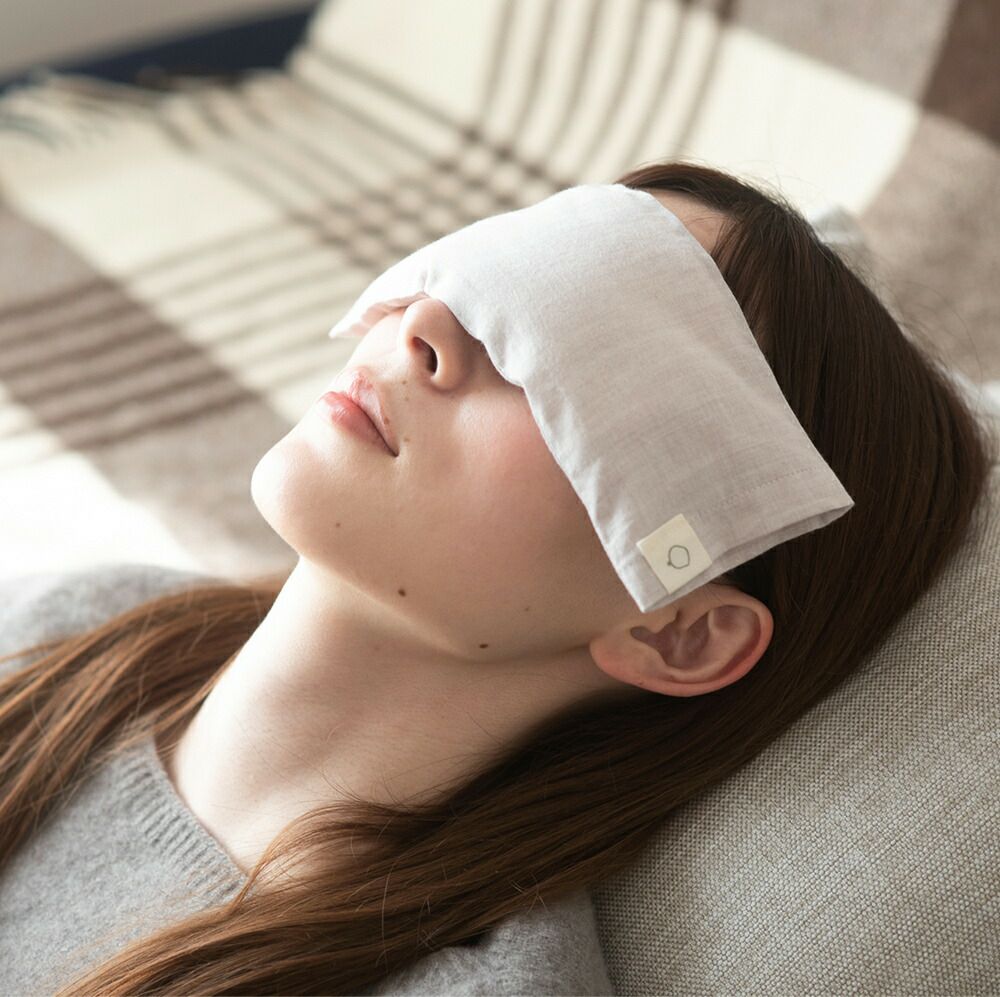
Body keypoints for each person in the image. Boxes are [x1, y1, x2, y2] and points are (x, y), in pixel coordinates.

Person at [0, 160, 994, 996]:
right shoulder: (65, 629)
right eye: (502, 277)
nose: (429, 321)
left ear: (678, 630)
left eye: (588, 367)